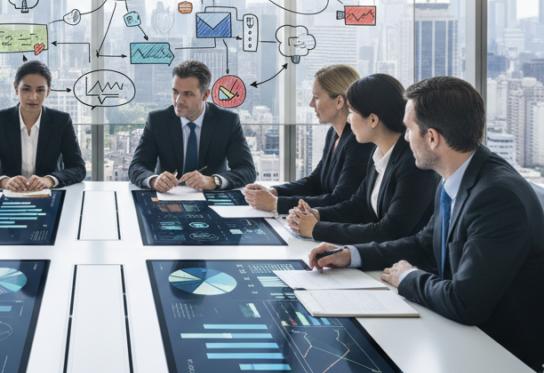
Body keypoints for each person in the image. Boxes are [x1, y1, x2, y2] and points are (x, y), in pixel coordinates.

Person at [308, 76, 544, 373]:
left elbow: (465, 302)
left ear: (433, 138)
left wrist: (408, 277)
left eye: (409, 129)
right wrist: (352, 254)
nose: (405, 137)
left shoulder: (496, 196)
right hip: (477, 345)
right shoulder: (458, 175)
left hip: (523, 372)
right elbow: (425, 243)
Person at [285, 73, 438, 244]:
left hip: (402, 264)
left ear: (373, 119)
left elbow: (389, 232)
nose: (349, 120)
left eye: (351, 112)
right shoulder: (379, 155)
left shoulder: (413, 163)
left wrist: (316, 229)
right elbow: (357, 206)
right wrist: (317, 214)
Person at [245, 64, 370, 213]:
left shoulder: (359, 141)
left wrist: (276, 204)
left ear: (339, 102)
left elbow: (341, 199)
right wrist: (274, 192)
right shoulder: (333, 133)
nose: (311, 104)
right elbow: (314, 182)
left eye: (316, 97)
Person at [128, 59, 256, 191]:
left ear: (205, 95)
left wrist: (214, 181)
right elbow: (137, 166)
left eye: (188, 94)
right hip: (169, 196)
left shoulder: (227, 122)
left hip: (212, 198)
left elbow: (247, 170)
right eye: (175, 92)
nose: (178, 100)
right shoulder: (157, 121)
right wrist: (154, 180)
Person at [0, 60, 86, 191]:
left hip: (48, 194)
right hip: (8, 194)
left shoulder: (61, 121)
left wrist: (49, 180)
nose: (33, 97)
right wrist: (5, 181)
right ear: (16, 88)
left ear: (48, 92)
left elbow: (78, 168)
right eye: (26, 89)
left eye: (40, 90)